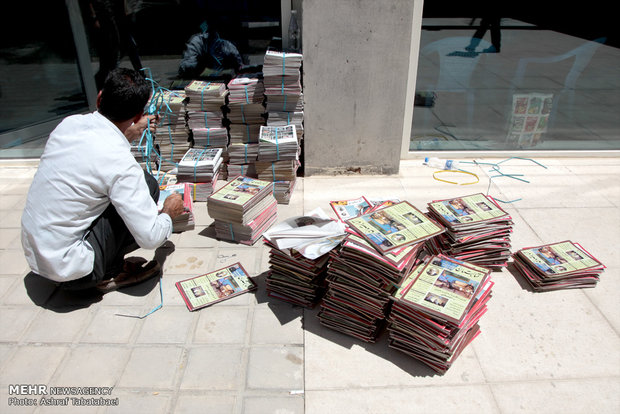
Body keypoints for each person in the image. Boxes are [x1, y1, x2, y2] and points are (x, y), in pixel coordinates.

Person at [21, 68, 185, 293]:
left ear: (99, 97)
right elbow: (150, 238)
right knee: (147, 187)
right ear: (138, 117)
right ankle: (107, 271)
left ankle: (99, 260)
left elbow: (97, 155)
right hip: (73, 273)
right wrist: (168, 213)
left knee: (133, 186)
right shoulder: (120, 163)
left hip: (37, 257)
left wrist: (127, 132)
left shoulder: (67, 125)